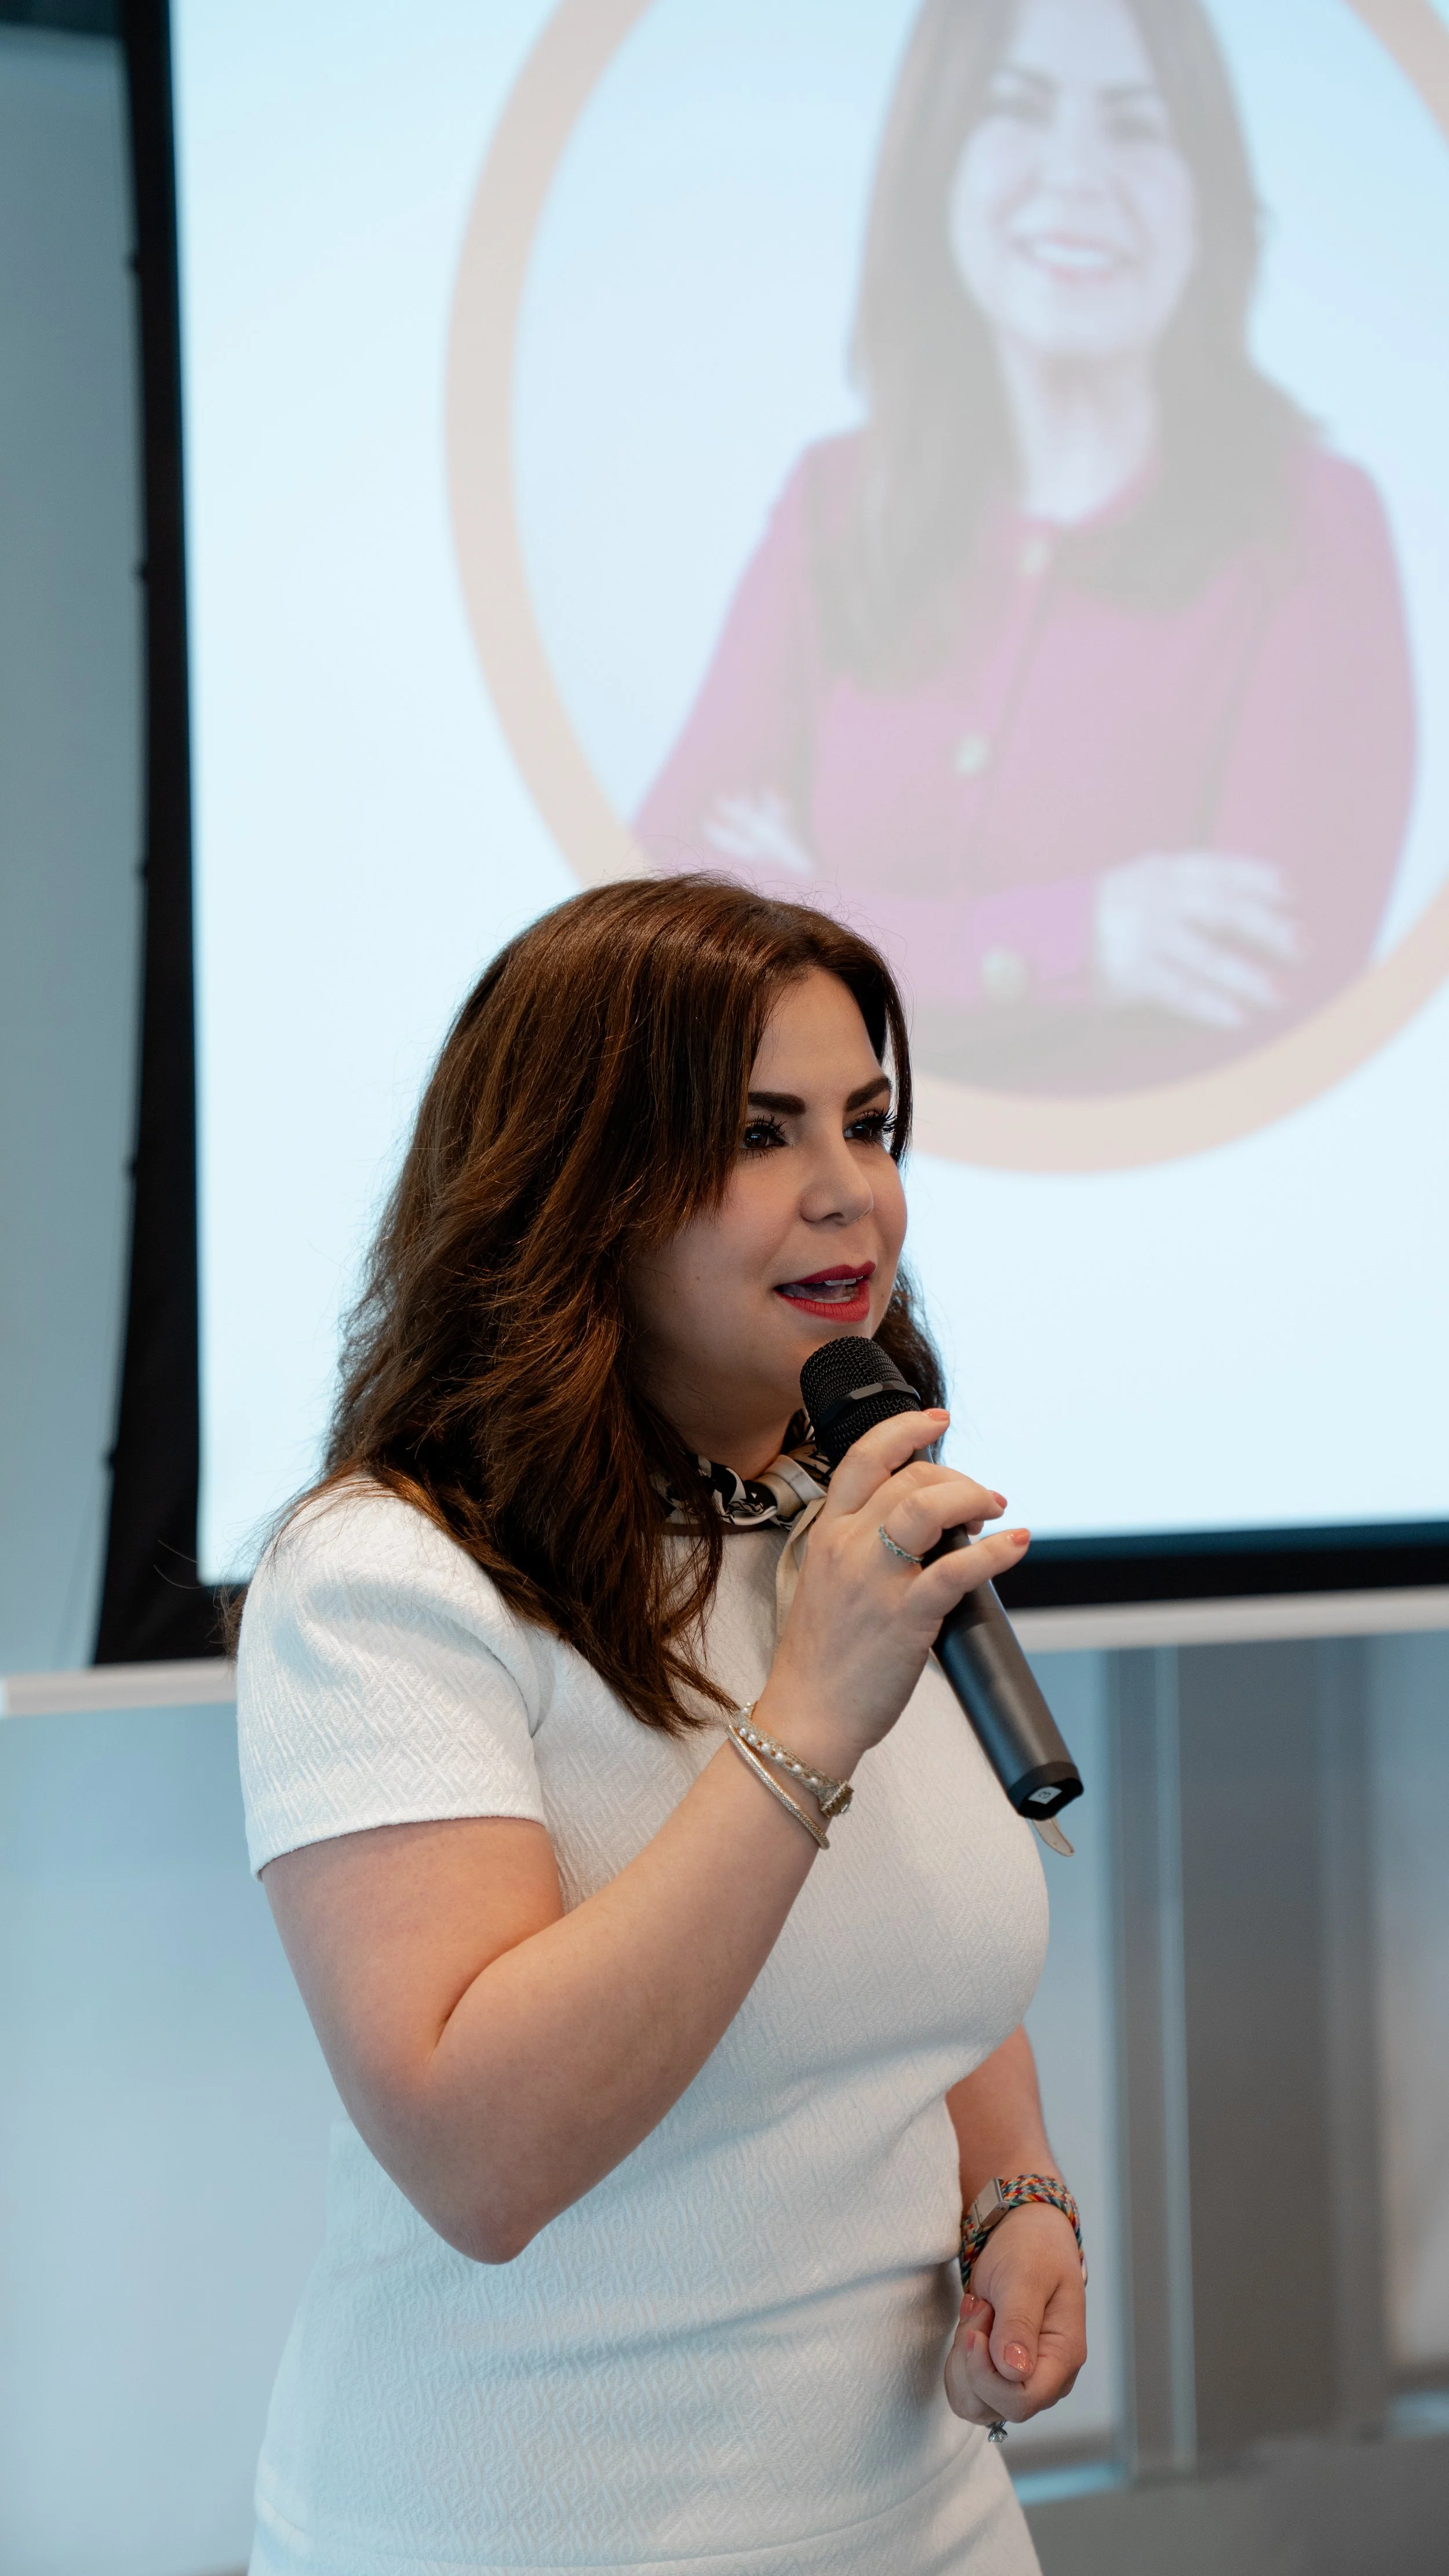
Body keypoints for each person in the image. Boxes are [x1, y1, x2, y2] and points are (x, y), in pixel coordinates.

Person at [235, 876, 1086, 2575]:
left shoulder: (840, 1517)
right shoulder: (383, 1582)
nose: (850, 1190)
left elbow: (913, 1936)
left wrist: (1016, 2189)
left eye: (868, 1120)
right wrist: (804, 1723)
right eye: (756, 1131)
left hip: (924, 2521)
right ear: (580, 1183)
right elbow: (481, 2161)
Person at [636, 0, 1416, 1096]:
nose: (1077, 176)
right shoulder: (833, 495)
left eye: (1139, 126)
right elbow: (664, 913)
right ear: (936, 165)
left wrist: (812, 912)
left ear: (1212, 196)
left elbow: (1264, 1014)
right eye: (1017, 110)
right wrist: (1078, 944)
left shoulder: (1318, 526)